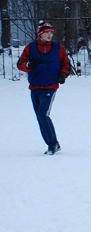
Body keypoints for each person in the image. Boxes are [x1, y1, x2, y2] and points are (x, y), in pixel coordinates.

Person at [16, 21, 70, 155]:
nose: (49, 35)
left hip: (50, 86)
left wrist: (63, 74)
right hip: (34, 87)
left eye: (51, 33)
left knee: (43, 114)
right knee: (40, 116)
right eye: (47, 33)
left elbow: (65, 64)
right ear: (40, 34)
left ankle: (52, 144)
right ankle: (54, 143)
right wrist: (28, 65)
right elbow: (20, 64)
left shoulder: (58, 48)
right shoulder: (31, 47)